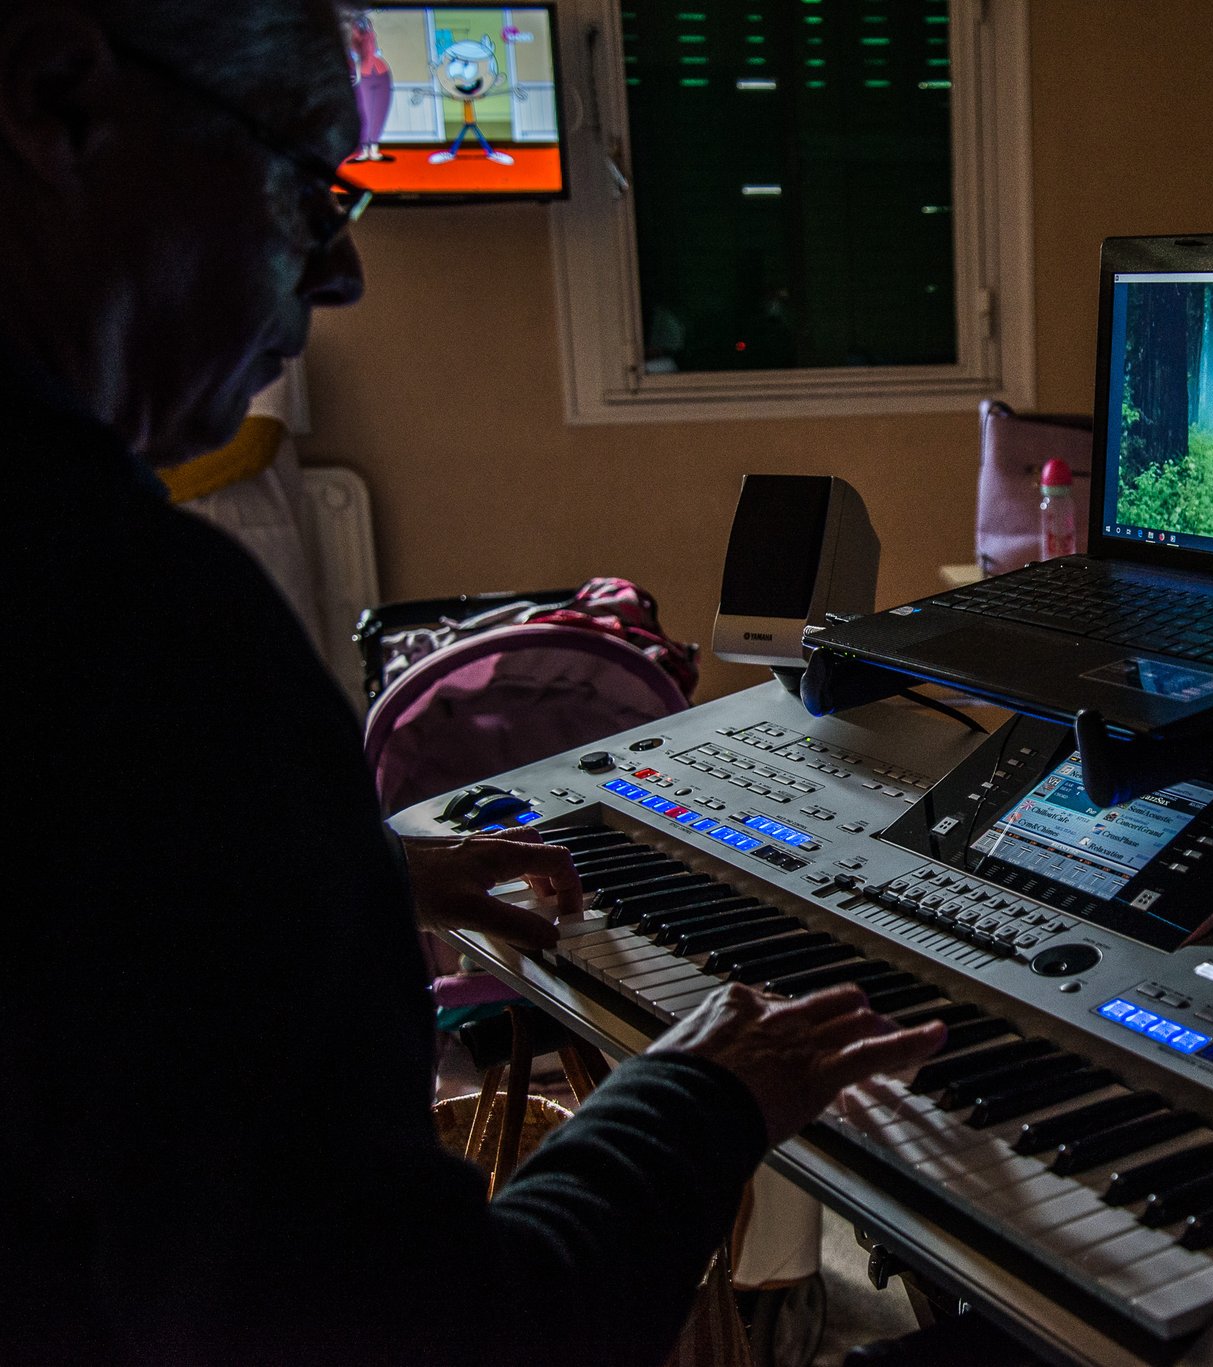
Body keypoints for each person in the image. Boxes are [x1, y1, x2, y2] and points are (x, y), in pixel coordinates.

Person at [0, 2, 943, 1364]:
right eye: (314, 187)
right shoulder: (132, 630)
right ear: (59, 97)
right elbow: (431, 1334)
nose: (340, 279)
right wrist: (699, 1099)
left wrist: (340, 885)